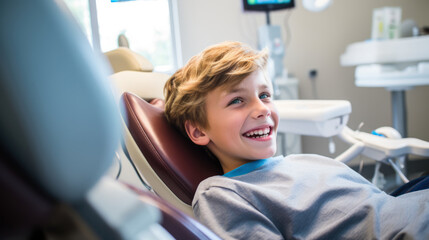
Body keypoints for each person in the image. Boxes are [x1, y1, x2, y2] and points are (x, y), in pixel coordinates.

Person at [163, 41, 429, 239]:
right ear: (198, 131)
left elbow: (378, 204)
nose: (262, 109)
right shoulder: (223, 194)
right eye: (236, 101)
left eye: (265, 95)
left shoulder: (300, 162)